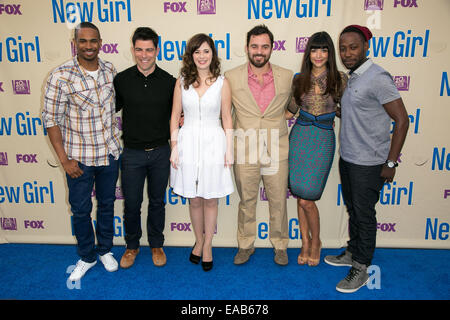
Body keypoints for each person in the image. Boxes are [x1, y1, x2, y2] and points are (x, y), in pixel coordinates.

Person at [324, 25, 409, 293]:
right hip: (348, 158)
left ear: (366, 48)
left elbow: (402, 120)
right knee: (354, 209)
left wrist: (391, 162)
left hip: (369, 163)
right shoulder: (352, 78)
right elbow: (359, 113)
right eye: (343, 48)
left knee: (364, 214)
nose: (347, 53)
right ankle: (353, 252)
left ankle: (361, 267)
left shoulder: (377, 77)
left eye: (353, 47)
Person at [42, 22, 122, 281]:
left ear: (100, 42)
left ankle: (105, 250)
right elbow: (51, 120)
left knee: (107, 205)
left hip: (109, 154)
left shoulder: (110, 70)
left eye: (93, 40)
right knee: (80, 210)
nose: (88, 46)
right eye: (83, 41)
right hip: (79, 160)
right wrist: (64, 160)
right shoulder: (60, 76)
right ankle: (87, 256)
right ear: (75, 43)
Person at [225, 25, 293, 266]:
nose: (259, 51)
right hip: (245, 149)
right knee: (247, 201)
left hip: (277, 148)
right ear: (246, 48)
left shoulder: (287, 75)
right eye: (254, 46)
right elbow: (224, 113)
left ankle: (281, 245)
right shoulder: (231, 77)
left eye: (264, 46)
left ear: (272, 48)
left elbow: (294, 106)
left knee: (278, 201)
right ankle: (245, 245)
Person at [169, 33, 234, 272]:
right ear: (191, 55)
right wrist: (174, 146)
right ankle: (198, 239)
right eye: (197, 52)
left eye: (206, 51)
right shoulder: (182, 81)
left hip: (213, 143)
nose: (202, 56)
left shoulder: (222, 82)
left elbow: (227, 117)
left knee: (210, 198)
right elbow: (175, 116)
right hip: (187, 143)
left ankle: (208, 244)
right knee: (194, 199)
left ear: (212, 54)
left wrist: (229, 149)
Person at [113, 27, 176, 268]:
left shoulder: (170, 82)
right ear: (133, 50)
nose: (144, 55)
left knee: (158, 201)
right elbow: (108, 111)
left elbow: (179, 115)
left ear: (157, 50)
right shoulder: (122, 80)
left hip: (161, 151)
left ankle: (157, 244)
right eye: (139, 49)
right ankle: (131, 246)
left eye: (149, 49)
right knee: (131, 203)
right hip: (131, 153)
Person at [285, 31, 347, 267]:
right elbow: (290, 111)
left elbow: (348, 109)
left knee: (307, 199)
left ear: (330, 53)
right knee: (300, 197)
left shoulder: (340, 79)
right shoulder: (299, 79)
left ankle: (317, 241)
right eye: (314, 49)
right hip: (299, 137)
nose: (318, 55)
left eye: (323, 50)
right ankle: (304, 242)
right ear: (308, 52)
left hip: (322, 140)